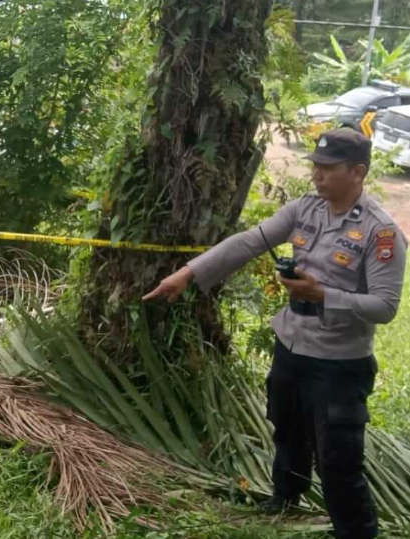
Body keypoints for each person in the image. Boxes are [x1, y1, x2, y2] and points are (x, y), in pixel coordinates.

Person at [144, 129, 406, 539]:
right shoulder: (306, 209)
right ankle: (286, 495)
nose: (317, 176)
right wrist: (188, 274)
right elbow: (250, 241)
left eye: (327, 169)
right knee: (287, 428)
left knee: (338, 459)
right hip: (291, 344)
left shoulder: (381, 232)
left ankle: (356, 532)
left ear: (358, 172)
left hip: (338, 363)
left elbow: (386, 307)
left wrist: (323, 294)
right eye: (315, 168)